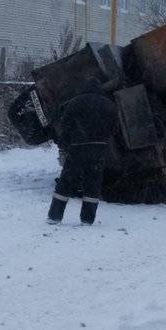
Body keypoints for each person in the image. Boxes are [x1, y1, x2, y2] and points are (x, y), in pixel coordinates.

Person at [47, 77, 118, 226]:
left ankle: (54, 216)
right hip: (98, 150)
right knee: (93, 184)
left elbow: (65, 126)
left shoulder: (75, 102)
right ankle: (87, 219)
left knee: (65, 183)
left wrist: (65, 144)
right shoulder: (109, 105)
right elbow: (115, 128)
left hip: (78, 148)